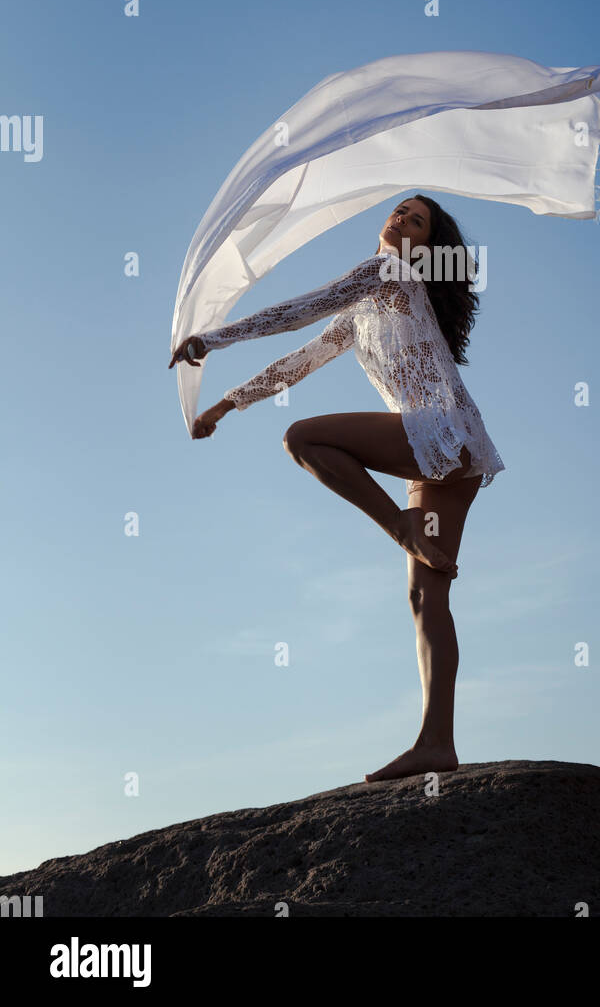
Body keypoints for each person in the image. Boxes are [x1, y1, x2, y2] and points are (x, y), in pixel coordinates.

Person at [169, 194, 504, 781]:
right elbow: (303, 357)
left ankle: (399, 527)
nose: (402, 219)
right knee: (426, 599)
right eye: (400, 210)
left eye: (417, 220)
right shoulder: (369, 304)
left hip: (441, 435)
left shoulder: (386, 272)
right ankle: (437, 744)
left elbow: (303, 308)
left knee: (304, 439)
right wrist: (224, 405)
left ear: (424, 248)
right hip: (458, 453)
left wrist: (212, 340)